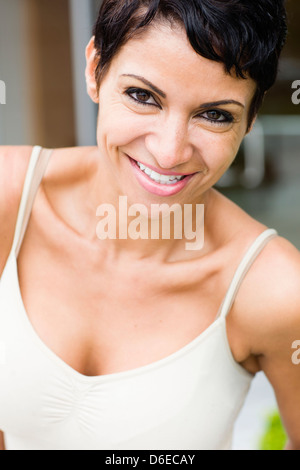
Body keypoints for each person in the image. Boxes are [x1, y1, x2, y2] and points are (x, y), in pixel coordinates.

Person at [0, 0, 299, 451]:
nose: (169, 152)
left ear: (251, 120)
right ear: (95, 67)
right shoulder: (8, 198)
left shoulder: (275, 289)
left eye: (215, 115)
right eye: (143, 96)